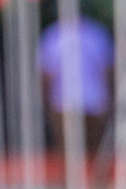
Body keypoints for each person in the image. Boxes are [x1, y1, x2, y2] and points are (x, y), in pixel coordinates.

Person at [39, 15, 114, 157]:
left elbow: (45, 76)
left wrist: (46, 106)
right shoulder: (97, 35)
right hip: (91, 103)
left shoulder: (53, 36)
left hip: (67, 104)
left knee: (70, 155)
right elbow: (107, 73)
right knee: (91, 156)